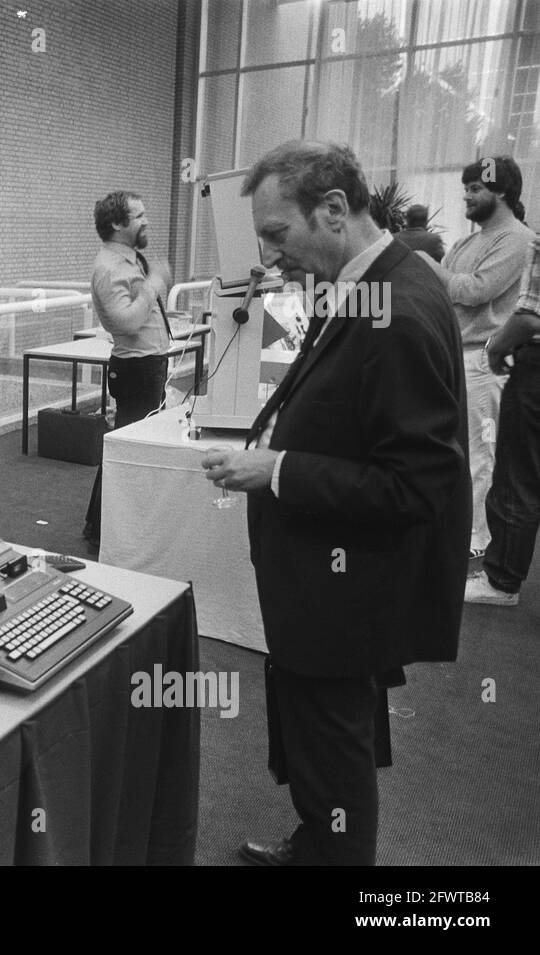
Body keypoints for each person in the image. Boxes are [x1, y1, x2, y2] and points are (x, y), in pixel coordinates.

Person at [201, 141, 470, 866]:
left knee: (335, 747)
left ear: (333, 209)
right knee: (321, 742)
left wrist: (279, 468)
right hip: (327, 585)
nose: (268, 254)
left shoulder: (399, 310)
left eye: (276, 234)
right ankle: (317, 840)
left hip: (344, 595)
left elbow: (415, 487)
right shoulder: (372, 282)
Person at [420, 157, 532, 560]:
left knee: (480, 455)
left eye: (474, 188)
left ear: (500, 192)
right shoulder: (470, 241)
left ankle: (474, 542)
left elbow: (474, 289)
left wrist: (432, 269)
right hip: (453, 357)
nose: (466, 196)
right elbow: (446, 288)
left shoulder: (517, 239)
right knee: (451, 451)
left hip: (484, 361)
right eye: (465, 187)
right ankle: (456, 531)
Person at [82, 190, 173, 547]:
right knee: (127, 449)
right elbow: (125, 323)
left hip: (147, 365)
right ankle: (105, 530)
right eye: (138, 216)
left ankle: (102, 526)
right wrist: (153, 286)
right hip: (136, 370)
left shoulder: (131, 260)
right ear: (118, 224)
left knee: (128, 447)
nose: (146, 221)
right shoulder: (109, 267)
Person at [466, 237, 540, 606]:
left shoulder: (522, 241)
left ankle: (502, 580)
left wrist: (496, 347)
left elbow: (527, 315)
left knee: (514, 474)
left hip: (523, 363)